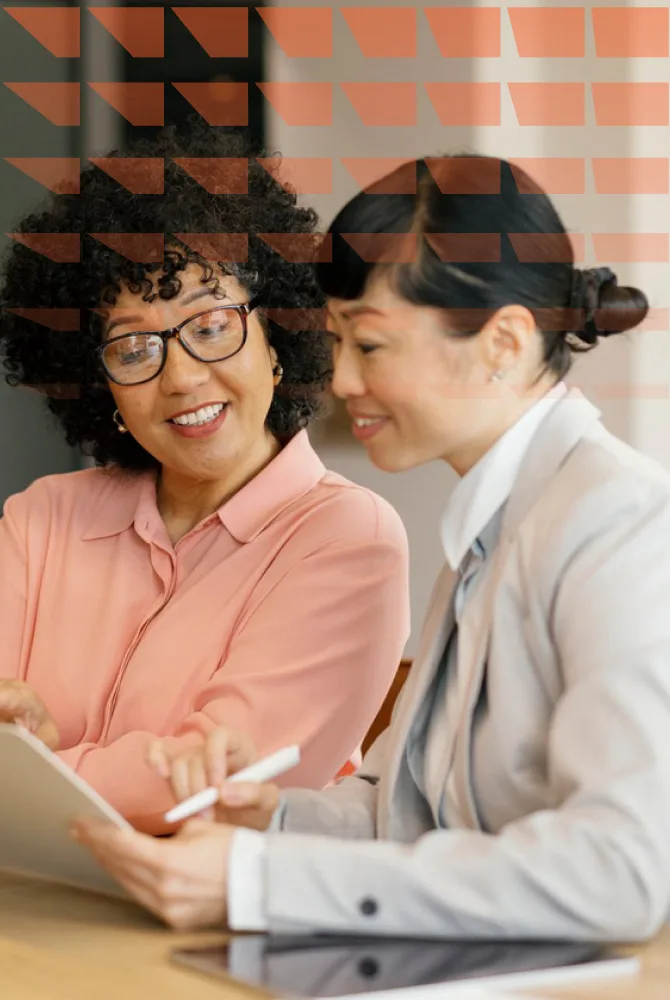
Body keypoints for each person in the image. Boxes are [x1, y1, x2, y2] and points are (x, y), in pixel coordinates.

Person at [75, 153, 670, 941]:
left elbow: (620, 869)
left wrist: (264, 879)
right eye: (337, 341)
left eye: (370, 345)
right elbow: (408, 810)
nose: (342, 379)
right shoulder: (493, 524)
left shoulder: (619, 524)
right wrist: (270, 819)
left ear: (504, 342)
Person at [0, 121, 410, 832]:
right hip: (11, 907)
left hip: (210, 919)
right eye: (133, 346)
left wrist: (36, 757)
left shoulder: (344, 537)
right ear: (101, 385)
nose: (180, 378)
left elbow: (219, 792)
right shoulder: (42, 518)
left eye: (211, 326)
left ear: (277, 336)